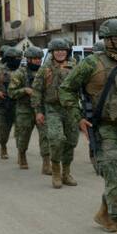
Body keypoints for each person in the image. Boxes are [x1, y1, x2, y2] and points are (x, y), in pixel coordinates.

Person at [60, 19, 117, 234]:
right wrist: (78, 117)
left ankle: (103, 213)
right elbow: (66, 89)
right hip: (105, 128)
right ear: (109, 40)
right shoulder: (91, 63)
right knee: (116, 178)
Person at [31, 38, 79, 188]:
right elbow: (37, 91)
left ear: (67, 51)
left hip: (70, 108)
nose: (60, 53)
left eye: (62, 50)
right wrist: (38, 111)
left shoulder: (75, 66)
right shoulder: (44, 69)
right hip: (52, 109)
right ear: (52, 52)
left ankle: (66, 173)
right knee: (56, 139)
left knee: (71, 141)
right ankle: (56, 171)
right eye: (57, 50)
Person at [8, 46, 51, 173]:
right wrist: (24, 90)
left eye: (39, 58)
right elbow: (11, 92)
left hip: (41, 109)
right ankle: (22, 155)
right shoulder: (19, 73)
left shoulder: (44, 72)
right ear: (28, 59)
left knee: (45, 135)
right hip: (24, 109)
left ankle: (46, 163)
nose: (38, 61)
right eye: (35, 58)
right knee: (23, 135)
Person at [0, 47, 21, 160]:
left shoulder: (22, 71)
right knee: (3, 132)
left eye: (19, 58)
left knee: (21, 131)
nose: (18, 60)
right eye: (15, 58)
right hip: (3, 106)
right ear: (9, 59)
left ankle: (21, 153)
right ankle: (3, 146)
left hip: (18, 105)